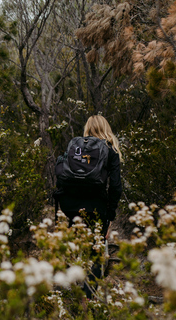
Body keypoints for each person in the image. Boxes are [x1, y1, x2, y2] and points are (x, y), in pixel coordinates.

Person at [56, 115, 122, 298]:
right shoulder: (110, 150)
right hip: (96, 208)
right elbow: (116, 186)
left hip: (70, 207)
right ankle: (86, 299)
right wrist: (110, 215)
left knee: (74, 247)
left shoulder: (75, 147)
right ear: (106, 129)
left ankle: (71, 289)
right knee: (98, 255)